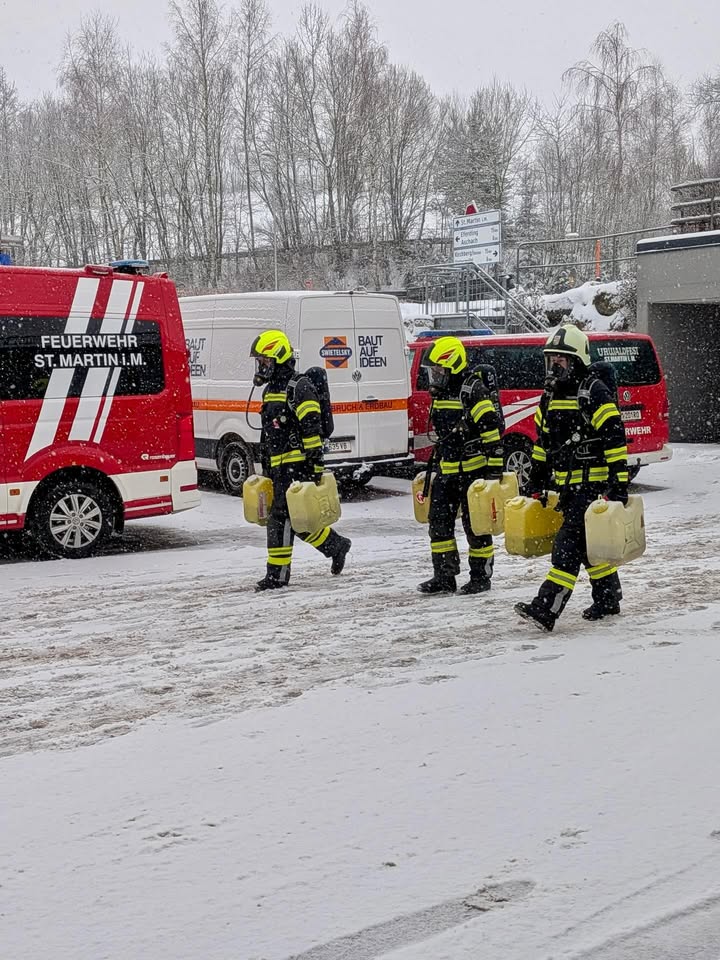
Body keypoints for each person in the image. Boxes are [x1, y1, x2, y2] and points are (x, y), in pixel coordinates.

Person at [515, 325, 629, 631]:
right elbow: (542, 444)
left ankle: (546, 608)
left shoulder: (593, 391)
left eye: (561, 360)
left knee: (567, 546)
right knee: (589, 546)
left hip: (592, 487)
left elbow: (615, 440)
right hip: (567, 487)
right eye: (550, 358)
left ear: (576, 361)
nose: (554, 365)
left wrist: (619, 485)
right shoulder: (548, 397)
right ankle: (608, 598)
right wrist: (535, 480)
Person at [251, 329, 351, 592]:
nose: (261, 366)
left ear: (278, 359)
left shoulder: (299, 386)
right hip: (278, 465)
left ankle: (277, 576)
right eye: (259, 362)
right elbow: (268, 431)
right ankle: (337, 546)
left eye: (264, 361)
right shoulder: (271, 390)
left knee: (280, 519)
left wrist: (314, 465)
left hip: (297, 465)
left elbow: (312, 428)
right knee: (297, 521)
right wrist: (266, 463)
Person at [418, 335, 504, 595]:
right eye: (433, 371)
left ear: (452, 365)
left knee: (475, 526)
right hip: (447, 469)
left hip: (473, 471)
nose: (434, 375)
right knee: (439, 523)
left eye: (438, 370)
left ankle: (480, 577)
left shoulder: (472, 389)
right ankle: (444, 576)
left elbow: (491, 432)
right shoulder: (442, 392)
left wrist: (494, 472)